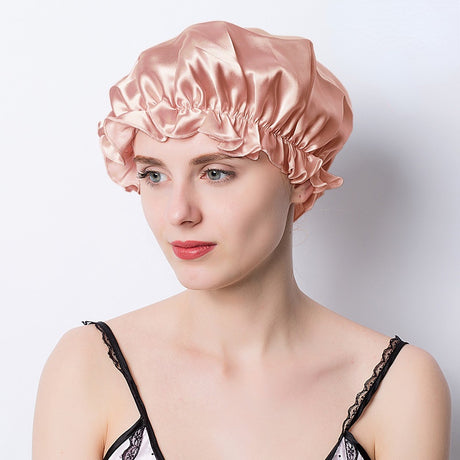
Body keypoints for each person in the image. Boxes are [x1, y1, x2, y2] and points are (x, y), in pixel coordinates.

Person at [32, 21, 451, 460]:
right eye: (154, 175)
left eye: (215, 173)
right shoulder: (88, 366)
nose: (178, 213)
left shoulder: (399, 386)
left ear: (299, 179)